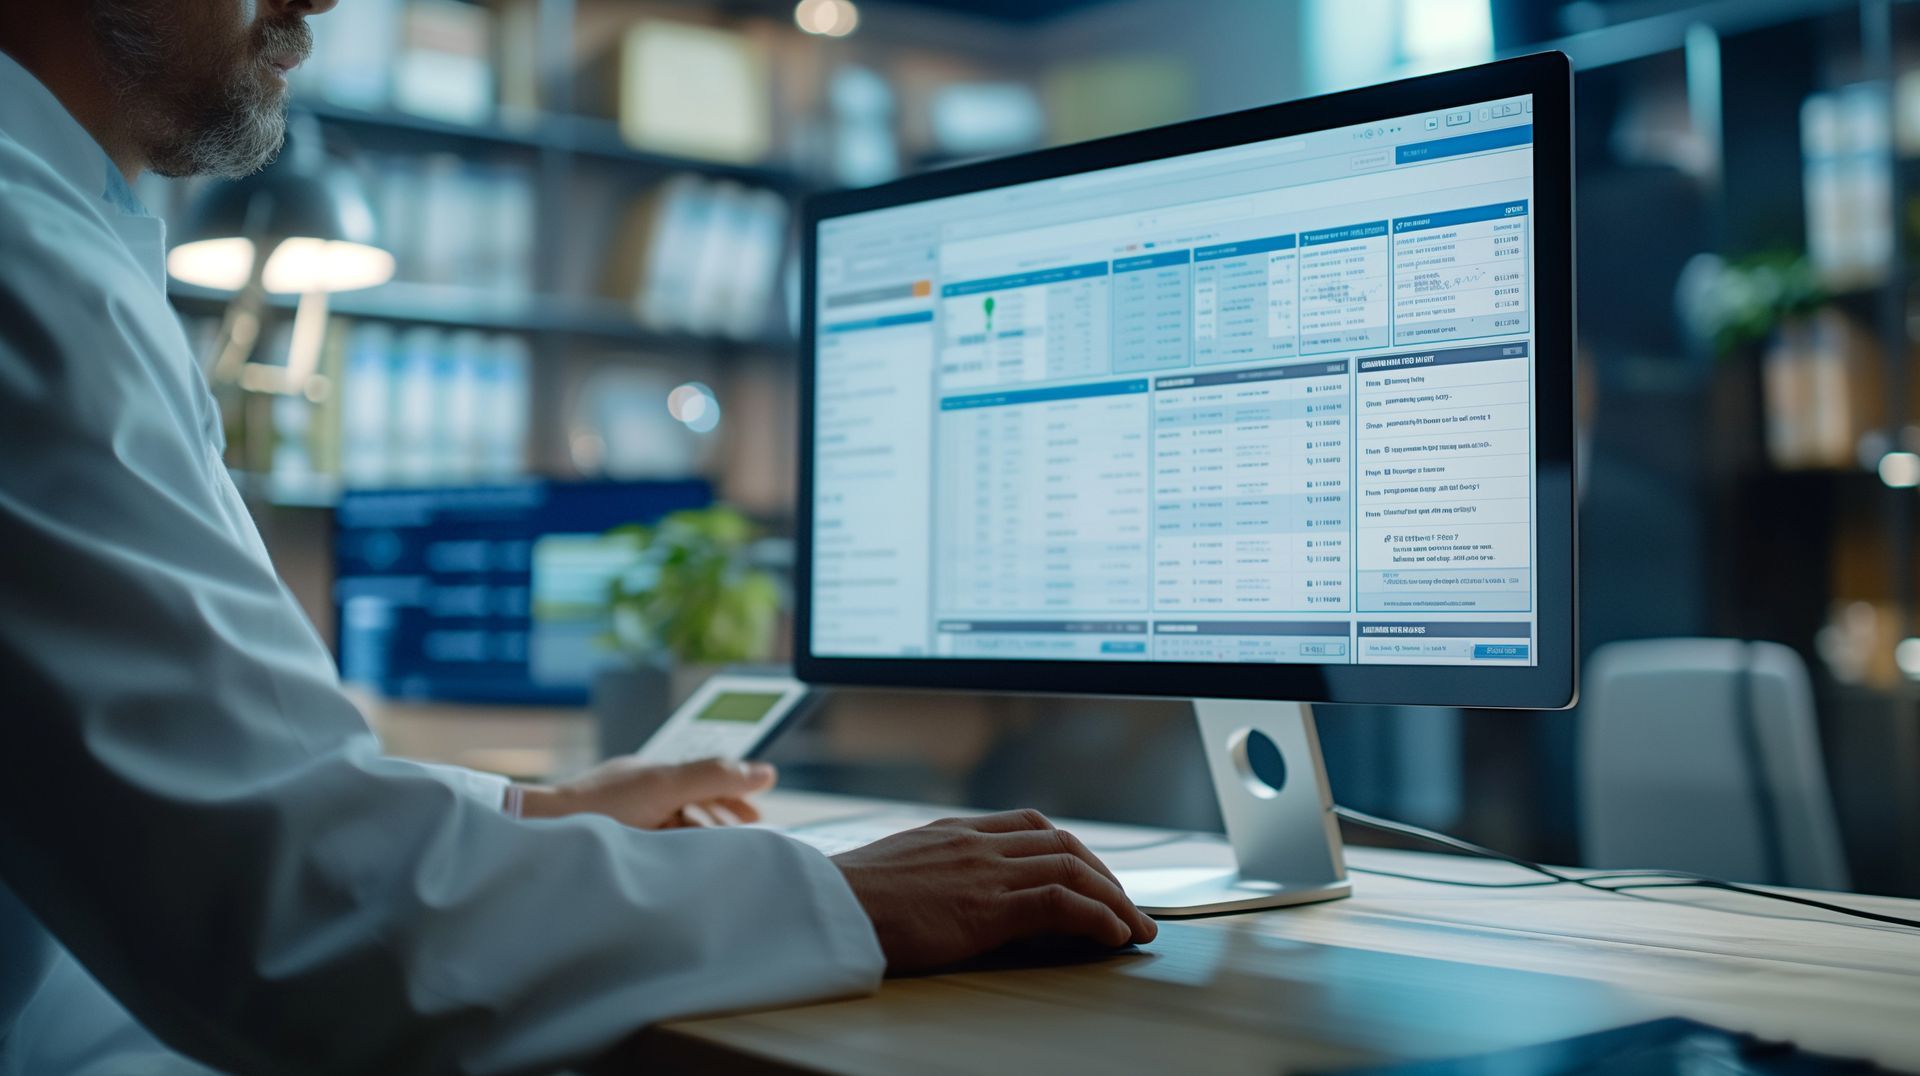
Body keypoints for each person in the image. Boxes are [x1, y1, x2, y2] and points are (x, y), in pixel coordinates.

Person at [0, 2, 1157, 1072]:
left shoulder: (65, 238)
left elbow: (174, 823)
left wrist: (531, 813)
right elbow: (298, 914)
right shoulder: (31, 263)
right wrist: (846, 898)